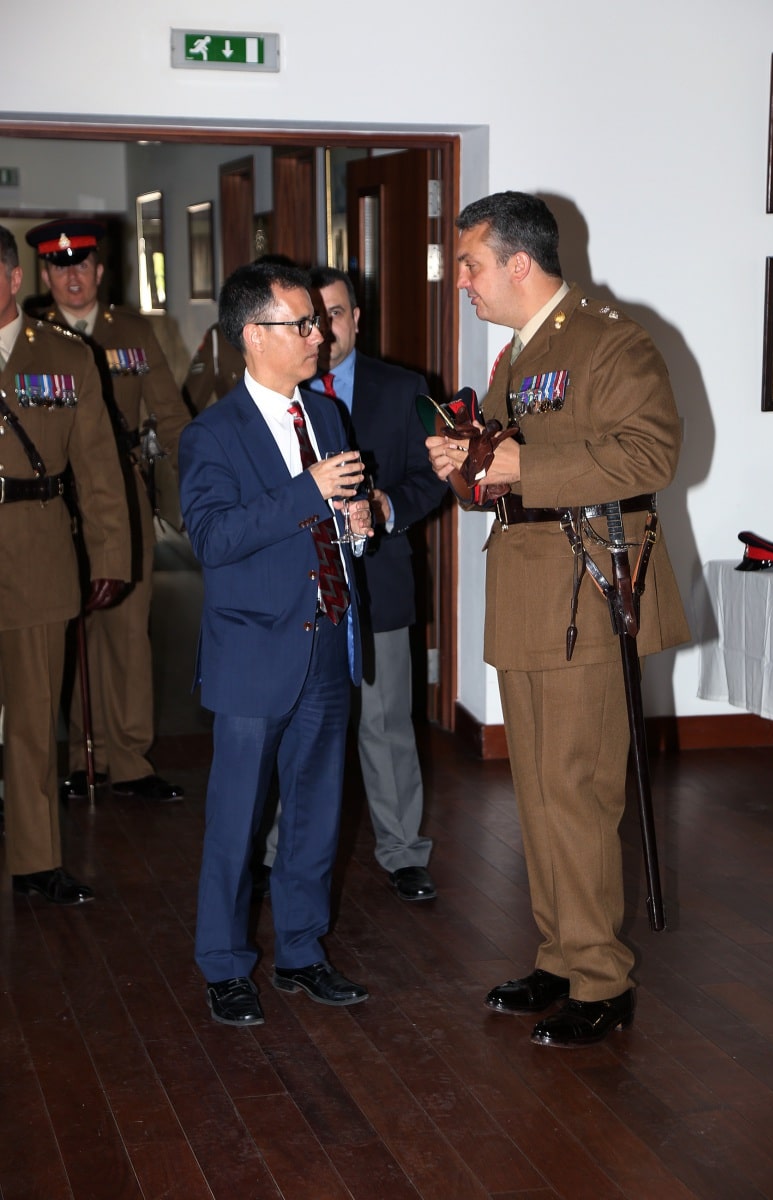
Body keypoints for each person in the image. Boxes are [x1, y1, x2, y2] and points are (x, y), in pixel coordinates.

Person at [427, 191, 690, 1048]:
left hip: (590, 593)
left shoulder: (610, 341)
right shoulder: (521, 354)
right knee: (539, 794)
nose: (461, 281)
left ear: (518, 263)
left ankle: (601, 980)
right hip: (532, 591)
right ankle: (562, 954)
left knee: (577, 790)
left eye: (470, 264)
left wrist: (521, 464)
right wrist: (468, 464)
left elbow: (650, 454)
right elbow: (508, 467)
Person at [179, 259, 373, 1026]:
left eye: (318, 322)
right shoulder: (212, 433)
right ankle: (225, 965)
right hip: (253, 655)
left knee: (317, 814)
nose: (319, 336)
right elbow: (213, 538)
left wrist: (357, 524)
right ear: (254, 335)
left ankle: (301, 950)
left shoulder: (326, 415)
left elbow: (335, 517)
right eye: (302, 324)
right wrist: (308, 492)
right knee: (237, 821)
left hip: (325, 640)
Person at [290, 266, 447, 902]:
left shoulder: (405, 389)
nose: (325, 331)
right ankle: (277, 851)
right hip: (300, 592)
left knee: (385, 723)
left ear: (356, 318)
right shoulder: (280, 394)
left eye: (335, 314)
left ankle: (403, 852)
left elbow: (432, 477)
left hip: (379, 582)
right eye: (312, 319)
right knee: (297, 725)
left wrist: (386, 506)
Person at [26, 219, 190, 803]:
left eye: (82, 265)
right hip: (52, 504)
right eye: (60, 267)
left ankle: (131, 760)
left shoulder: (133, 333)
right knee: (71, 632)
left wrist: (205, 479)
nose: (72, 276)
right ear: (44, 276)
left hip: (121, 495)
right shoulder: (30, 338)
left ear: (99, 270)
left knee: (127, 631)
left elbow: (171, 416)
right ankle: (81, 757)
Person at [0, 225, 130, 903]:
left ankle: (34, 860)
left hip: (36, 552)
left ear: (14, 278)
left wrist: (111, 554)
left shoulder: (64, 357)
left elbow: (100, 468)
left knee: (31, 719)